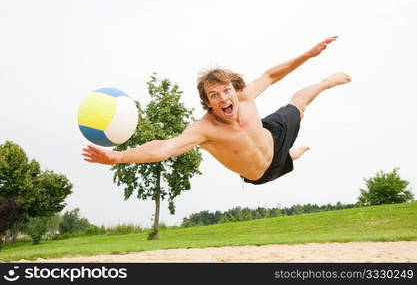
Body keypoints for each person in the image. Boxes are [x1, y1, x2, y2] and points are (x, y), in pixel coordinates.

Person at [82, 36, 351, 185]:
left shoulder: (244, 97)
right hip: (261, 174)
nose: (223, 97)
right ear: (208, 103)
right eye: (214, 95)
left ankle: (327, 82)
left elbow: (270, 75)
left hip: (272, 137)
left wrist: (308, 54)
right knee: (287, 158)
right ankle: (292, 156)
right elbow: (163, 148)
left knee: (300, 103)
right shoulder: (205, 129)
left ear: (234, 89)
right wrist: (117, 157)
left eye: (226, 90)